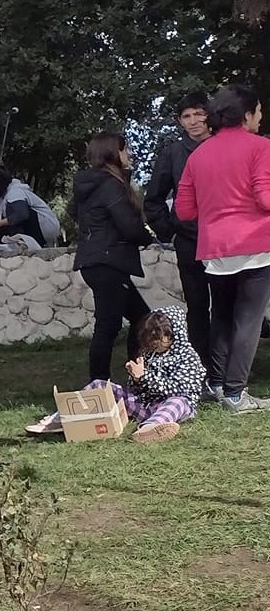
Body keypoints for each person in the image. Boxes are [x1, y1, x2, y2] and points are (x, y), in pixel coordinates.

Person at [177, 82, 270, 412]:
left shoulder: (199, 154)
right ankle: (235, 393)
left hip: (215, 249)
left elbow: (184, 211)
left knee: (222, 317)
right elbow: (264, 196)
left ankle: (216, 383)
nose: (260, 117)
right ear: (246, 115)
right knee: (248, 320)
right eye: (258, 112)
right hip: (255, 245)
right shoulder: (261, 147)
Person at [28, 306, 203, 443]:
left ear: (173, 334)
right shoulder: (149, 353)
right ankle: (62, 418)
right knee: (100, 384)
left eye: (159, 337)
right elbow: (137, 389)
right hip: (144, 404)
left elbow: (178, 390)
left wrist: (144, 377)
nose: (154, 342)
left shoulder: (188, 357)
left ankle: (149, 429)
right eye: (151, 337)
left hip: (171, 407)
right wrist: (135, 378)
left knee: (179, 401)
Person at [70, 132, 155, 381]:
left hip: (96, 260)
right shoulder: (110, 184)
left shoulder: (89, 185)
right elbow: (127, 225)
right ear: (113, 153)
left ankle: (135, 374)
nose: (128, 154)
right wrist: (147, 236)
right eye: (125, 149)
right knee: (110, 325)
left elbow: (76, 213)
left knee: (140, 319)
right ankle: (100, 383)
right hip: (108, 261)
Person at [144, 92, 214, 386]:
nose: (194, 121)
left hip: (227, 239)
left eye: (199, 113)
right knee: (197, 305)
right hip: (189, 240)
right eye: (187, 116)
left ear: (210, 115)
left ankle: (232, 365)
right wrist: (170, 231)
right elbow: (154, 199)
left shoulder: (224, 145)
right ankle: (202, 365)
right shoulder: (172, 153)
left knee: (229, 305)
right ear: (179, 122)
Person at [0, 164, 64, 249]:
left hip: (45, 225)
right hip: (34, 226)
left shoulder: (15, 192)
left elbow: (21, 215)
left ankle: (20, 243)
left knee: (12, 213)